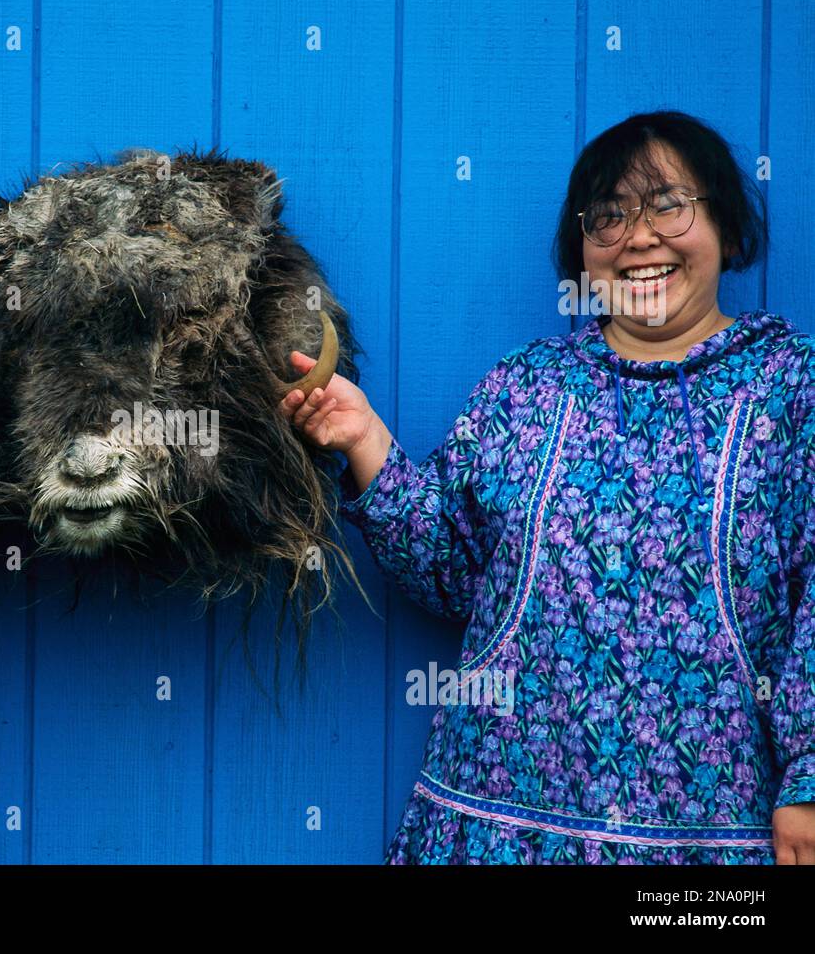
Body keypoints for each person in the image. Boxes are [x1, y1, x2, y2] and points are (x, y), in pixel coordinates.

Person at [280, 110, 815, 864]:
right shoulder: (528, 385)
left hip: (702, 847)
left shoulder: (791, 386)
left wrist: (809, 783)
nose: (639, 236)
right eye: (609, 216)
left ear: (726, 225)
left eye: (669, 204)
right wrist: (365, 438)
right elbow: (452, 573)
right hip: (496, 830)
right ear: (583, 251)